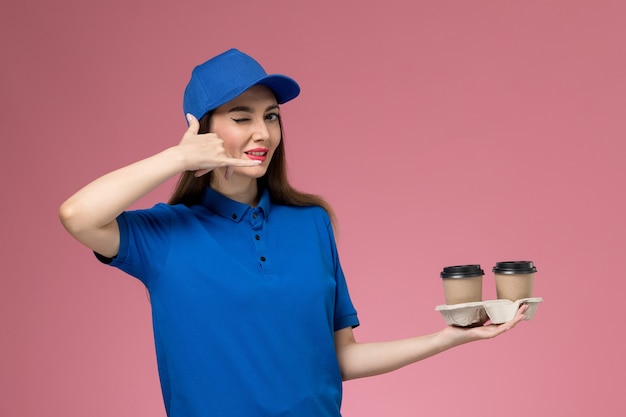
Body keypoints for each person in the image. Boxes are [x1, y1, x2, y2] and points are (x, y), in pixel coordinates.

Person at [59, 48, 527, 417]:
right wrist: (177, 158)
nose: (262, 132)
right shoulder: (162, 236)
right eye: (242, 117)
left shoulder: (311, 224)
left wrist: (448, 338)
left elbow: (339, 360)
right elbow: (78, 214)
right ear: (202, 130)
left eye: (271, 116)